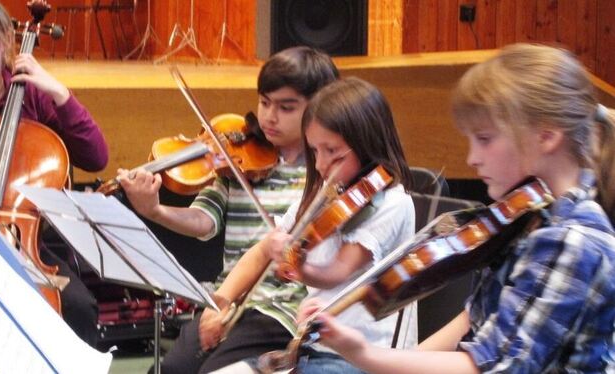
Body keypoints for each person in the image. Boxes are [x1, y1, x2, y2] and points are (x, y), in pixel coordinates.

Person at [295, 43, 615, 373]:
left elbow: (494, 366)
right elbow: (472, 321)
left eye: (485, 139)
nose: (472, 158)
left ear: (546, 136)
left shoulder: (570, 241)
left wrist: (364, 354)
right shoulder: (531, 215)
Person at [117, 46, 339, 373]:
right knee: (172, 369)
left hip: (281, 311)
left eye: (286, 107)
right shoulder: (240, 162)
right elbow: (203, 221)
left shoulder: (321, 175)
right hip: (228, 298)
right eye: (264, 102)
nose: (269, 117)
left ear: (319, 107)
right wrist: (154, 211)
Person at [210, 77, 418, 374]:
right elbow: (271, 245)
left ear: (367, 143)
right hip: (312, 346)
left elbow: (336, 273)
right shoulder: (326, 195)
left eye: (333, 152)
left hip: (363, 356)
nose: (321, 165)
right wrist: (278, 250)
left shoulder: (393, 204)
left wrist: (299, 266)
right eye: (315, 151)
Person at [0, 0, 108, 348]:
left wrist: (61, 95)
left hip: (28, 241)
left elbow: (96, 157)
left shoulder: (34, 95)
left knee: (76, 308)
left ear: (6, 40)